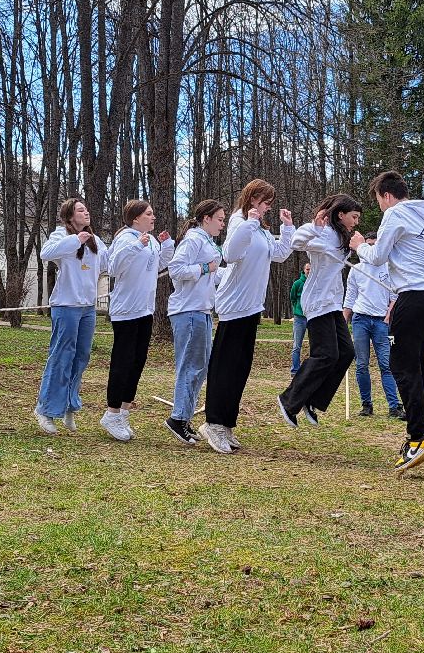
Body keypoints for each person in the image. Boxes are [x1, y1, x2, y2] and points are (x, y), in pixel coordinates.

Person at [349, 171, 424, 473]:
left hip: (412, 298)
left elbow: (376, 257)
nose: (379, 207)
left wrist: (359, 245)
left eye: (378, 201)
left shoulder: (395, 214)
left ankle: (417, 437)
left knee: (402, 368)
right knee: (415, 366)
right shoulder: (421, 216)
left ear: (387, 195)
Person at [200, 180, 295, 453]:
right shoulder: (238, 221)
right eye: (265, 202)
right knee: (224, 368)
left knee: (240, 368)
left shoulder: (262, 229)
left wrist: (287, 228)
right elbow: (230, 253)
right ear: (252, 198)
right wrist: (250, 222)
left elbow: (278, 255)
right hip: (233, 306)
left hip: (252, 306)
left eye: (270, 204)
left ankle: (226, 424)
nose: (268, 208)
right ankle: (213, 423)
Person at [278, 195, 360, 427]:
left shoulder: (342, 236)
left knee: (346, 352)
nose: (355, 222)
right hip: (317, 302)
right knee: (326, 354)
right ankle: (288, 400)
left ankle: (313, 400)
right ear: (341, 214)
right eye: (353, 217)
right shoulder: (322, 231)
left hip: (333, 302)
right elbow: (296, 242)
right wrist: (315, 225)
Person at [35, 198, 110, 434]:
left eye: (87, 209)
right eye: (80, 210)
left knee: (81, 357)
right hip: (66, 306)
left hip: (87, 308)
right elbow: (45, 254)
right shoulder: (61, 235)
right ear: (69, 217)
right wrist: (75, 240)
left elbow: (111, 263)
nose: (86, 212)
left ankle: (68, 405)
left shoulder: (95, 241)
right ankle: (46, 410)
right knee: (61, 356)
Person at [102, 200, 174, 441]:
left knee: (137, 362)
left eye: (153, 213)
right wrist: (135, 245)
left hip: (145, 310)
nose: (153, 217)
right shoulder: (125, 239)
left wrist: (166, 247)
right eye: (149, 214)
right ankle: (111, 413)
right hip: (126, 311)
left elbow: (156, 266)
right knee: (122, 362)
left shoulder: (150, 240)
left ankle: (123, 411)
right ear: (135, 218)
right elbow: (114, 268)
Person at [165, 199, 226, 445]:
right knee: (189, 366)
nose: (222, 224)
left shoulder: (206, 241)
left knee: (200, 368)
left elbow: (213, 275)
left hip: (202, 311)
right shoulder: (193, 239)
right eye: (219, 219)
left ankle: (185, 418)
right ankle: (177, 418)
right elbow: (176, 269)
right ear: (206, 219)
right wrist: (205, 267)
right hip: (188, 311)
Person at [343, 233, 403, 419]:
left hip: (380, 322)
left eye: (374, 246)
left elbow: (394, 297)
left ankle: (394, 406)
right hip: (360, 320)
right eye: (367, 245)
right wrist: (342, 322)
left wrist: (387, 317)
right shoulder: (356, 269)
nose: (369, 249)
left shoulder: (387, 268)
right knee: (361, 364)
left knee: (386, 364)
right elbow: (350, 297)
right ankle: (366, 404)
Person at [289, 262, 310, 374]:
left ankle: (312, 370)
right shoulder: (297, 283)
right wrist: (297, 310)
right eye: (307, 269)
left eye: (311, 269)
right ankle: (295, 370)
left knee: (315, 345)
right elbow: (292, 297)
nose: (309, 272)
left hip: (312, 318)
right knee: (297, 345)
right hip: (299, 318)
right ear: (304, 270)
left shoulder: (314, 284)